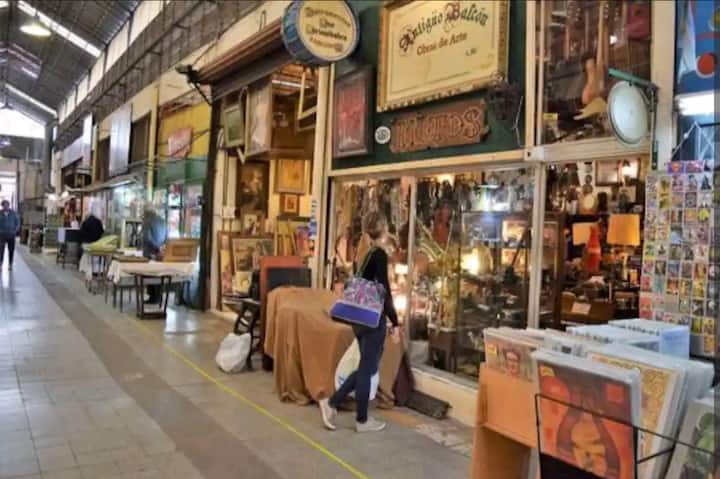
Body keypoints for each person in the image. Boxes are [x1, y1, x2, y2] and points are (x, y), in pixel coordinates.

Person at [319, 211, 401, 433]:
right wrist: (395, 322)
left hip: (358, 317)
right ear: (384, 229)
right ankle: (360, 419)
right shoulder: (379, 254)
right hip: (373, 319)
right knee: (367, 369)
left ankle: (332, 403)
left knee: (366, 367)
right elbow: (384, 292)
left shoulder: (362, 252)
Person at [142, 206, 168, 303]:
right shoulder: (162, 220)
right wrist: (161, 248)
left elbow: (147, 237)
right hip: (160, 253)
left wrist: (156, 246)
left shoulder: (147, 221)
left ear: (146, 212)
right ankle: (159, 296)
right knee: (159, 274)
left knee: (150, 274)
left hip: (149, 251)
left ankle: (152, 297)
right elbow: (167, 236)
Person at [0, 200, 19, 270]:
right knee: (1, 250)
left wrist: (15, 231)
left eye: (7, 205)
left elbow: (17, 222)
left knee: (11, 250)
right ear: (2, 206)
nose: (6, 206)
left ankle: (10, 264)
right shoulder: (0, 213)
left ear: (9, 205)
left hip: (11, 235)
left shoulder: (14, 213)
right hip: (2, 235)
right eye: (4, 205)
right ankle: (0, 264)